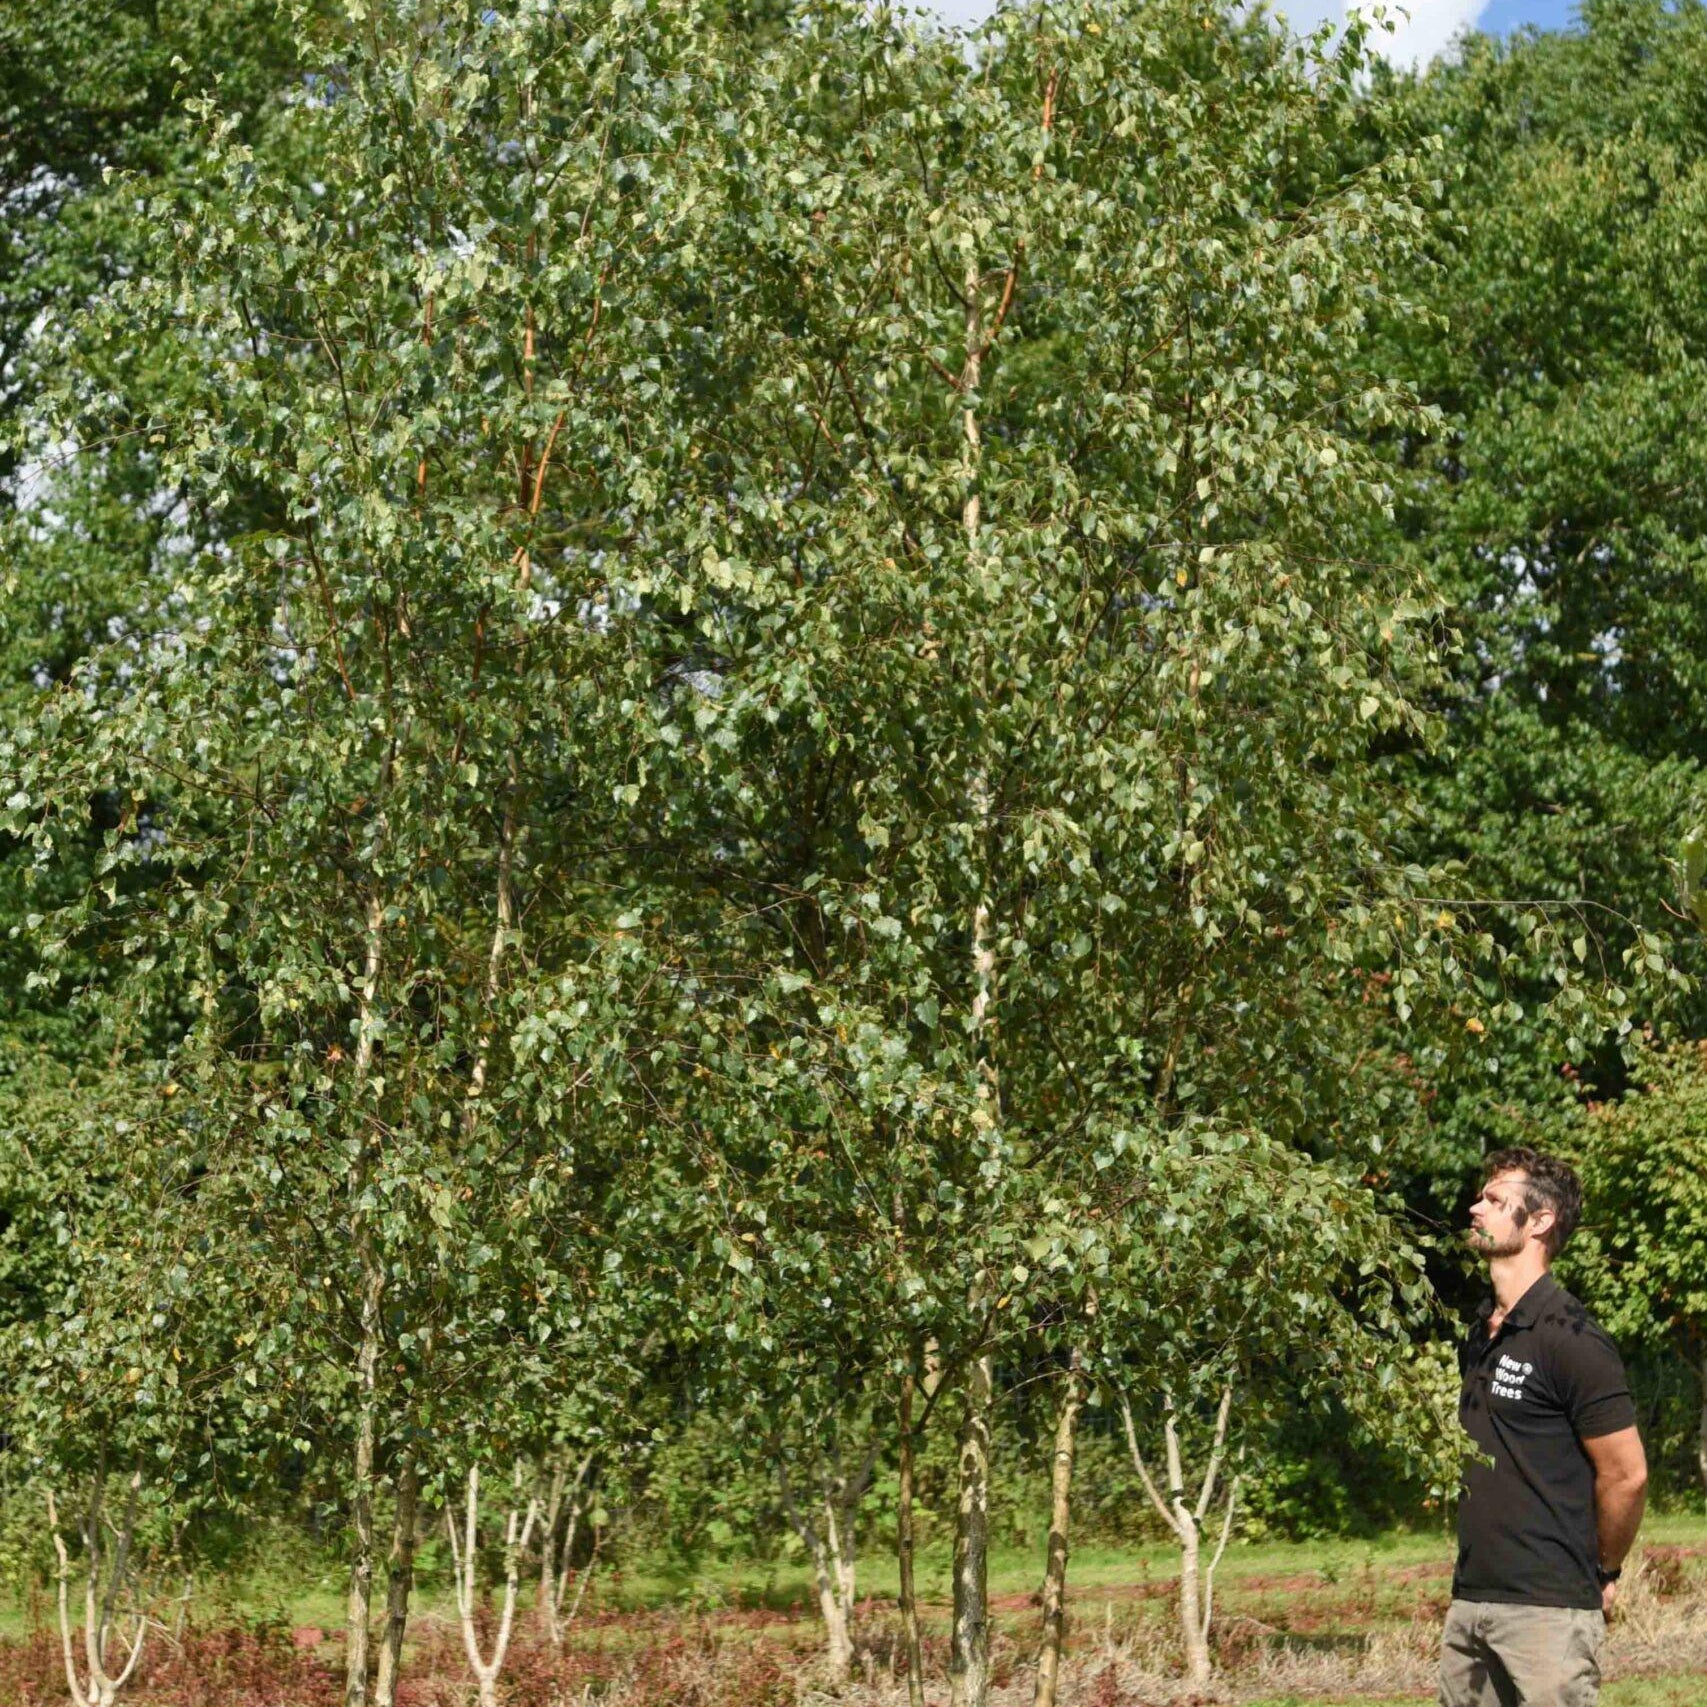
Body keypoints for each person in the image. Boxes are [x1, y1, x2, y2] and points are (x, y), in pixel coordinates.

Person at [1439, 1147, 1648, 1707]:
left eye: (1494, 1199)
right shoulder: (1481, 1329)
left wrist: (1604, 1568)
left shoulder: (1573, 1339)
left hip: (1548, 1611)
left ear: (1540, 1221)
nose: (1475, 1208)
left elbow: (1626, 1475)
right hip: (1471, 1602)